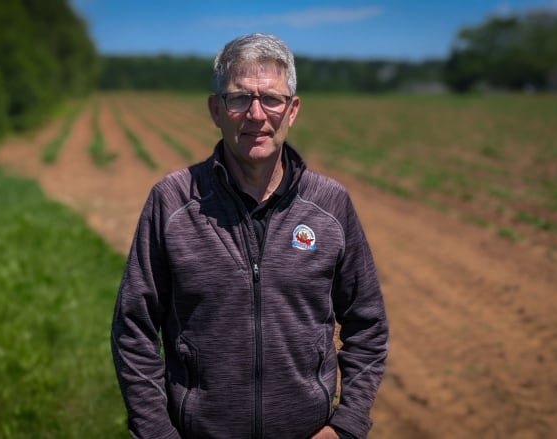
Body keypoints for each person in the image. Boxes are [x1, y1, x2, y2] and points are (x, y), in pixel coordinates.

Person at [111, 33, 389, 439]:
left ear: (292, 110)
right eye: (239, 98)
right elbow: (133, 329)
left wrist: (346, 425)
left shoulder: (331, 205)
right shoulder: (172, 202)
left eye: (271, 99)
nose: (256, 115)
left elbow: (368, 326)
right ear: (215, 110)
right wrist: (156, 433)